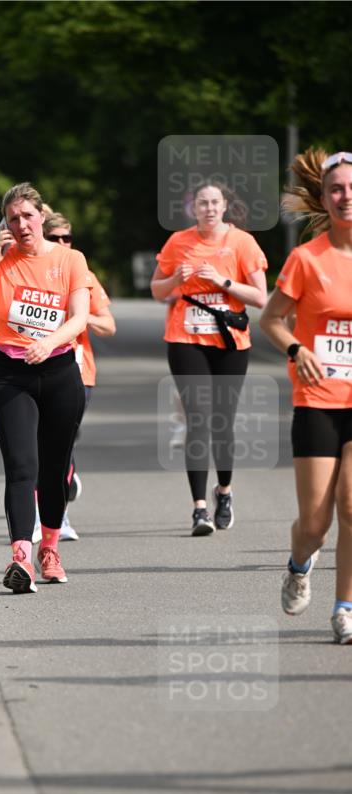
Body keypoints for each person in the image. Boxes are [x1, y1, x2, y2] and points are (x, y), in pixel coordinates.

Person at [0, 182, 91, 593]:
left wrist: (49, 343)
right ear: (5, 224)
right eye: (12, 219)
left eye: (27, 217)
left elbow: (80, 318)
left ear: (41, 218)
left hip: (58, 372)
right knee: (21, 468)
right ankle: (20, 557)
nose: (21, 225)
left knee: (54, 470)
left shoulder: (71, 259)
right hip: (10, 374)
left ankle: (49, 549)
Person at [259, 149, 352, 644]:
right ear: (323, 197)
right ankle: (300, 563)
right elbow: (271, 319)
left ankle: (345, 607)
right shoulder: (307, 259)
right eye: (336, 189)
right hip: (318, 399)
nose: (345, 197)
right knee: (315, 523)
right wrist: (297, 348)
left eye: (351, 188)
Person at [150, 181, 268, 534]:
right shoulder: (178, 242)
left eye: (215, 202)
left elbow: (261, 297)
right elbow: (157, 292)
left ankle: (225, 492)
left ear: (224, 206)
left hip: (230, 342)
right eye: (202, 203)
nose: (209, 209)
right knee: (197, 421)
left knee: (222, 422)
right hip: (186, 339)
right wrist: (173, 278)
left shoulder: (242, 243)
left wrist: (223, 282)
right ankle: (199, 508)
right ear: (194, 208)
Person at [33, 211, 116, 541]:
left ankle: (59, 516)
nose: (63, 243)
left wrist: (82, 318)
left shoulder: (85, 274)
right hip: (35, 367)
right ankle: (40, 517)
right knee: (37, 445)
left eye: (68, 238)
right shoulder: (33, 273)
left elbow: (109, 325)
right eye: (56, 238)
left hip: (78, 371)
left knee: (61, 444)